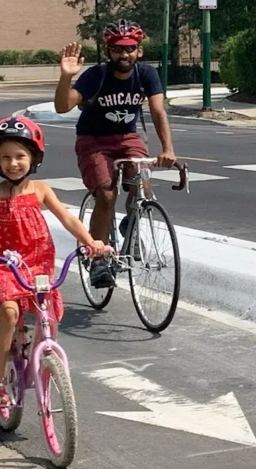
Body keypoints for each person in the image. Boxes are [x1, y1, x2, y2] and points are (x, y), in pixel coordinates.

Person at [0, 116, 107, 411]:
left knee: (48, 314)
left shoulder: (40, 189)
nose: (13, 163)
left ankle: (41, 356)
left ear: (34, 158)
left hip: (36, 264)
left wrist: (90, 242)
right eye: (5, 157)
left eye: (20, 156)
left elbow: (67, 218)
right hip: (1, 263)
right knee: (9, 311)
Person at [54, 20, 176, 288]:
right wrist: (66, 76)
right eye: (118, 49)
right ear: (109, 52)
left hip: (127, 137)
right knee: (107, 194)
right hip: (93, 140)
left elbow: (157, 111)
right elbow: (62, 107)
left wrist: (167, 149)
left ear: (139, 51)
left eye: (130, 48)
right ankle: (98, 258)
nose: (124, 54)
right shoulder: (95, 76)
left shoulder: (147, 74)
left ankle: (130, 223)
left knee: (141, 183)